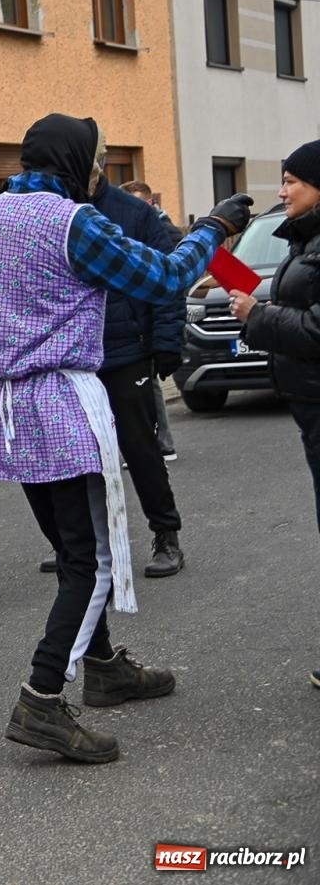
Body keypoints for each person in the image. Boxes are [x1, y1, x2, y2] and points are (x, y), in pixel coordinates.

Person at [0, 113, 252, 763]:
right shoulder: (72, 222)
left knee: (68, 546)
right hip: (60, 402)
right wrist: (215, 231)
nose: (101, 171)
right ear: (75, 161)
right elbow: (164, 277)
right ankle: (42, 697)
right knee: (90, 561)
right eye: (98, 160)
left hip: (0, 406)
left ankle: (106, 663)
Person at [228, 142, 320, 687]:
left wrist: (257, 316)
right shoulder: (305, 238)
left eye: (291, 181)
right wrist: (218, 256)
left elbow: (314, 328)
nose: (282, 191)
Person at [81, 172, 188, 578]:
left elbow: (167, 279)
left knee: (141, 450)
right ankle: (79, 542)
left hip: (127, 352)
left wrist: (166, 341)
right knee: (78, 456)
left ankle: (166, 536)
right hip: (74, 358)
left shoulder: (135, 214)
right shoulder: (61, 211)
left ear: (96, 167)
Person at [119, 180, 180, 463]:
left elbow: (170, 286)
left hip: (151, 322)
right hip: (133, 322)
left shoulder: (164, 234)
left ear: (149, 204)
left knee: (150, 384)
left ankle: (163, 443)